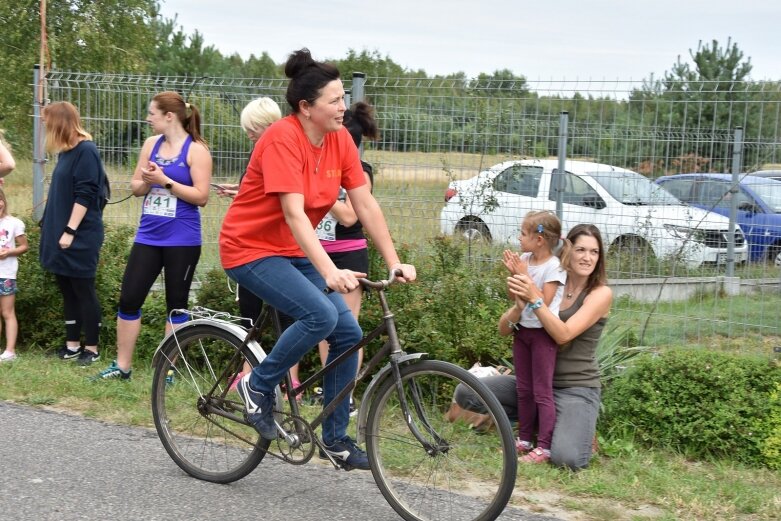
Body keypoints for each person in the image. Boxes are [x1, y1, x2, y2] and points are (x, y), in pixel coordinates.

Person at [219, 48, 415, 471]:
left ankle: (336, 440)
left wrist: (394, 259)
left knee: (347, 333)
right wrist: (330, 270)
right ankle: (258, 384)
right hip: (249, 248)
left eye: (344, 98)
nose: (343, 107)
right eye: (334, 100)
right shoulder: (281, 139)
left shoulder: (340, 140)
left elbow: (364, 204)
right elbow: (293, 212)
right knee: (320, 318)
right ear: (306, 108)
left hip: (292, 250)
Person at [458, 223, 612, 470]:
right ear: (567, 251)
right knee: (466, 393)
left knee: (567, 459)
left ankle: (567, 429)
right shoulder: (546, 279)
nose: (587, 257)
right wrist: (519, 308)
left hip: (575, 388)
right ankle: (540, 427)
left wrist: (534, 298)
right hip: (535, 382)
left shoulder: (600, 293)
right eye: (581, 249)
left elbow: (563, 335)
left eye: (594, 252)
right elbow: (503, 329)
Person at [93, 91, 212, 380]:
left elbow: (201, 196)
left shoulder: (197, 150)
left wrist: (166, 181)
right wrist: (146, 180)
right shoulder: (151, 145)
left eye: (152, 114)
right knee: (129, 299)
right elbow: (135, 187)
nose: (147, 119)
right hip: (148, 236)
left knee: (176, 305)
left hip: (182, 240)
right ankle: (122, 366)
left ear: (169, 116)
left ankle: (167, 370)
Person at [314, 101, 379, 412]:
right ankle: (329, 388)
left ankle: (347, 395)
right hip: (320, 254)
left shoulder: (361, 171)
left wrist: (320, 194)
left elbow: (351, 216)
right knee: (323, 325)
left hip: (349, 256)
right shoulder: (322, 166)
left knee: (348, 328)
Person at [38, 101, 107, 366]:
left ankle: (92, 348)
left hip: (79, 235)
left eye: (47, 120)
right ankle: (72, 346)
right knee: (67, 289)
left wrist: (69, 230)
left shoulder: (86, 150)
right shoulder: (67, 152)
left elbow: (86, 194)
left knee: (83, 289)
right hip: (62, 234)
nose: (44, 124)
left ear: (59, 122)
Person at [499, 210, 567, 464]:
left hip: (543, 336)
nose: (519, 238)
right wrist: (516, 274)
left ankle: (545, 447)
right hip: (523, 332)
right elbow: (514, 296)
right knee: (524, 389)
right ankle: (525, 439)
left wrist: (524, 275)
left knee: (541, 391)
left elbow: (543, 301)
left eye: (523, 234)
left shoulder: (555, 267)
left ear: (539, 240)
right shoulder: (524, 260)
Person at [0, 189, 28, 362]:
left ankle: (10, 351)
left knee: (7, 312)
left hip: (6, 273)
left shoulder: (14, 223)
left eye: (0, 199)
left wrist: (8, 252)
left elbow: (24, 246)